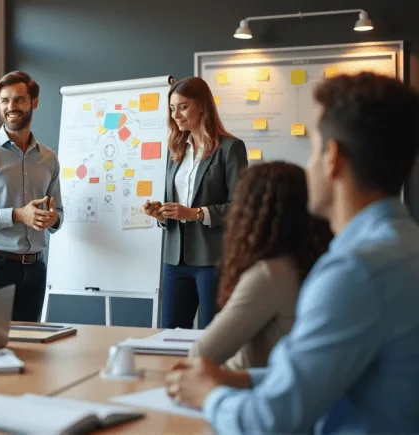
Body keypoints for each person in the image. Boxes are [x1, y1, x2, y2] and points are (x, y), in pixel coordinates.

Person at [163, 72, 419, 434]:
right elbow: (320, 376)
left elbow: (269, 421)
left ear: (332, 158)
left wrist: (208, 394)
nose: (307, 166)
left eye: (312, 148)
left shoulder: (353, 272)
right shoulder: (404, 244)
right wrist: (238, 380)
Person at [188, 162, 332, 370]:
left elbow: (202, 354)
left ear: (249, 214)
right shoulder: (312, 264)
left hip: (251, 385)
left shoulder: (269, 274)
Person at [143, 76, 248, 329]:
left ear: (202, 106)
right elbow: (176, 204)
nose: (176, 115)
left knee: (214, 334)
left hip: (213, 259)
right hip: (175, 259)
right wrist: (162, 214)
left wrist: (194, 213)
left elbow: (240, 207)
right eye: (172, 108)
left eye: (183, 107)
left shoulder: (230, 148)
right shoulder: (176, 150)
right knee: (169, 333)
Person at [0, 70, 63, 322]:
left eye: (19, 99)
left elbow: (58, 212)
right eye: (4, 100)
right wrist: (18, 215)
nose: (10, 107)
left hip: (35, 269)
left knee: (29, 342)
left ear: (34, 103)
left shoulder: (49, 158)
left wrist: (53, 219)